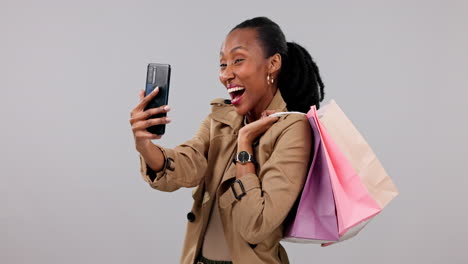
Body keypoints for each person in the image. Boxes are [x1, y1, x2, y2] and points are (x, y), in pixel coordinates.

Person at [129, 17, 325, 264]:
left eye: (238, 60)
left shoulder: (292, 129)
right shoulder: (221, 119)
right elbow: (187, 165)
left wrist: (244, 145)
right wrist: (144, 145)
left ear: (273, 63)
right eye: (223, 64)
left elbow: (255, 224)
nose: (226, 74)